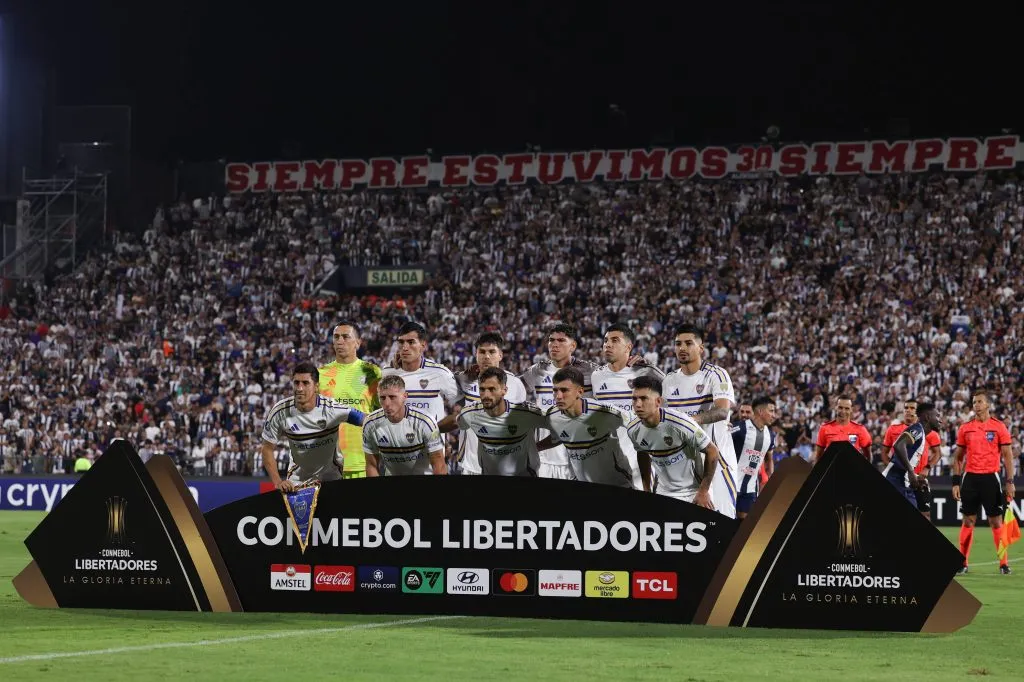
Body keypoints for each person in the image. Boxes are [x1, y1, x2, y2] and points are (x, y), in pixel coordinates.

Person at [662, 324, 740, 518]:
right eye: (678, 343)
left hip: (717, 458)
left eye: (689, 343)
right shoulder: (669, 380)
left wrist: (688, 421)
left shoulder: (716, 374)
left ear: (701, 348)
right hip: (684, 459)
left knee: (722, 516)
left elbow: (722, 411)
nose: (682, 348)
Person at [260, 362, 367, 492]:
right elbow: (267, 448)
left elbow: (365, 419)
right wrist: (277, 482)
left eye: (305, 383)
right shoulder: (280, 412)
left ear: (316, 386)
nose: (299, 388)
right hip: (297, 480)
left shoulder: (331, 409)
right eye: (296, 383)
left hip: (332, 477)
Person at [520, 324, 600, 480]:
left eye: (561, 340)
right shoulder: (538, 371)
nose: (554, 344)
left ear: (573, 345)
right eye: (551, 340)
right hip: (543, 457)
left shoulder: (591, 371)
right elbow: (510, 387)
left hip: (579, 456)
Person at [591, 323, 666, 490]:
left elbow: (674, 390)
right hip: (606, 458)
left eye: (615, 340)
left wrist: (651, 368)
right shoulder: (597, 376)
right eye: (605, 340)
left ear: (628, 347)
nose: (608, 344)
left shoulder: (644, 372)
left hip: (639, 455)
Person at [626, 375, 718, 508]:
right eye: (634, 399)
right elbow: (642, 454)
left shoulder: (679, 423)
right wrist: (647, 490)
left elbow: (712, 451)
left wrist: (703, 491)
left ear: (658, 401)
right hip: (664, 492)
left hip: (694, 491)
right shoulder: (633, 429)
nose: (638, 404)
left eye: (644, 398)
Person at [952, 392, 1016, 575]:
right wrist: (956, 482)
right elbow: (957, 458)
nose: (976, 405)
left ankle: (1003, 563)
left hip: (991, 478)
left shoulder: (999, 427)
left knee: (996, 522)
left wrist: (1010, 481)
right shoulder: (965, 428)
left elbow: (1008, 456)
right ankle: (962, 563)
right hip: (970, 478)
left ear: (988, 404)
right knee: (968, 520)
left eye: (980, 402)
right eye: (974, 402)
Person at [381, 322, 460, 468]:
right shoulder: (387, 373)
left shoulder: (440, 373)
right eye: (401, 342)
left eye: (411, 342)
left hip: (431, 460)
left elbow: (461, 409)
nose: (405, 347)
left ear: (423, 345)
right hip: (396, 458)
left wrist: (437, 432)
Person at [450, 332, 528, 476]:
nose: (486, 356)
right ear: (476, 354)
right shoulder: (464, 379)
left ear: (500, 355)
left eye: (492, 352)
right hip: (471, 465)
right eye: (482, 352)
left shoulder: (515, 384)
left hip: (504, 463)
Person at [544, 366, 633, 488]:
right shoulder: (553, 415)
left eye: (564, 390)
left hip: (617, 482)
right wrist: (536, 447)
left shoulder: (603, 411)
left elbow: (638, 423)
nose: (558, 396)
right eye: (555, 390)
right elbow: (558, 437)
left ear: (580, 392)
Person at [318, 322, 382, 479]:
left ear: (358, 343)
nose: (340, 341)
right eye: (336, 337)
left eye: (346, 337)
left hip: (363, 460)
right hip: (328, 463)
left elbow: (381, 415)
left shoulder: (372, 372)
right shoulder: (320, 374)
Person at [455, 367, 547, 476]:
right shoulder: (472, 413)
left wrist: (539, 446)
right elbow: (457, 421)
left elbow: (561, 424)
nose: (486, 395)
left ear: (504, 390)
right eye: (482, 389)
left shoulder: (524, 412)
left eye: (492, 389)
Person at [362, 375, 447, 476]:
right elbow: (371, 464)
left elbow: (439, 463)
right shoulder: (370, 423)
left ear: (405, 397)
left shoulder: (425, 422)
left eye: (392, 397)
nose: (387, 403)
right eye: (382, 398)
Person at [882, 398, 943, 519]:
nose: (939, 420)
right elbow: (898, 445)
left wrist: (915, 476)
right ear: (927, 417)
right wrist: (910, 471)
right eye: (936, 416)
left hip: (902, 481)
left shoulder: (921, 432)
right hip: (896, 481)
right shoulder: (917, 429)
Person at [730, 396, 778, 519]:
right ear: (760, 412)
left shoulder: (770, 435)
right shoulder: (739, 429)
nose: (774, 415)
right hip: (731, 483)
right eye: (771, 411)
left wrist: (770, 479)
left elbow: (769, 459)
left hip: (750, 488)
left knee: (745, 522)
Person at [813, 395, 874, 464]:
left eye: (847, 408)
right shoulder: (824, 428)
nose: (843, 411)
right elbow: (818, 456)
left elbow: (868, 455)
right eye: (840, 407)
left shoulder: (861, 429)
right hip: (832, 472)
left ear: (851, 409)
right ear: (836, 407)